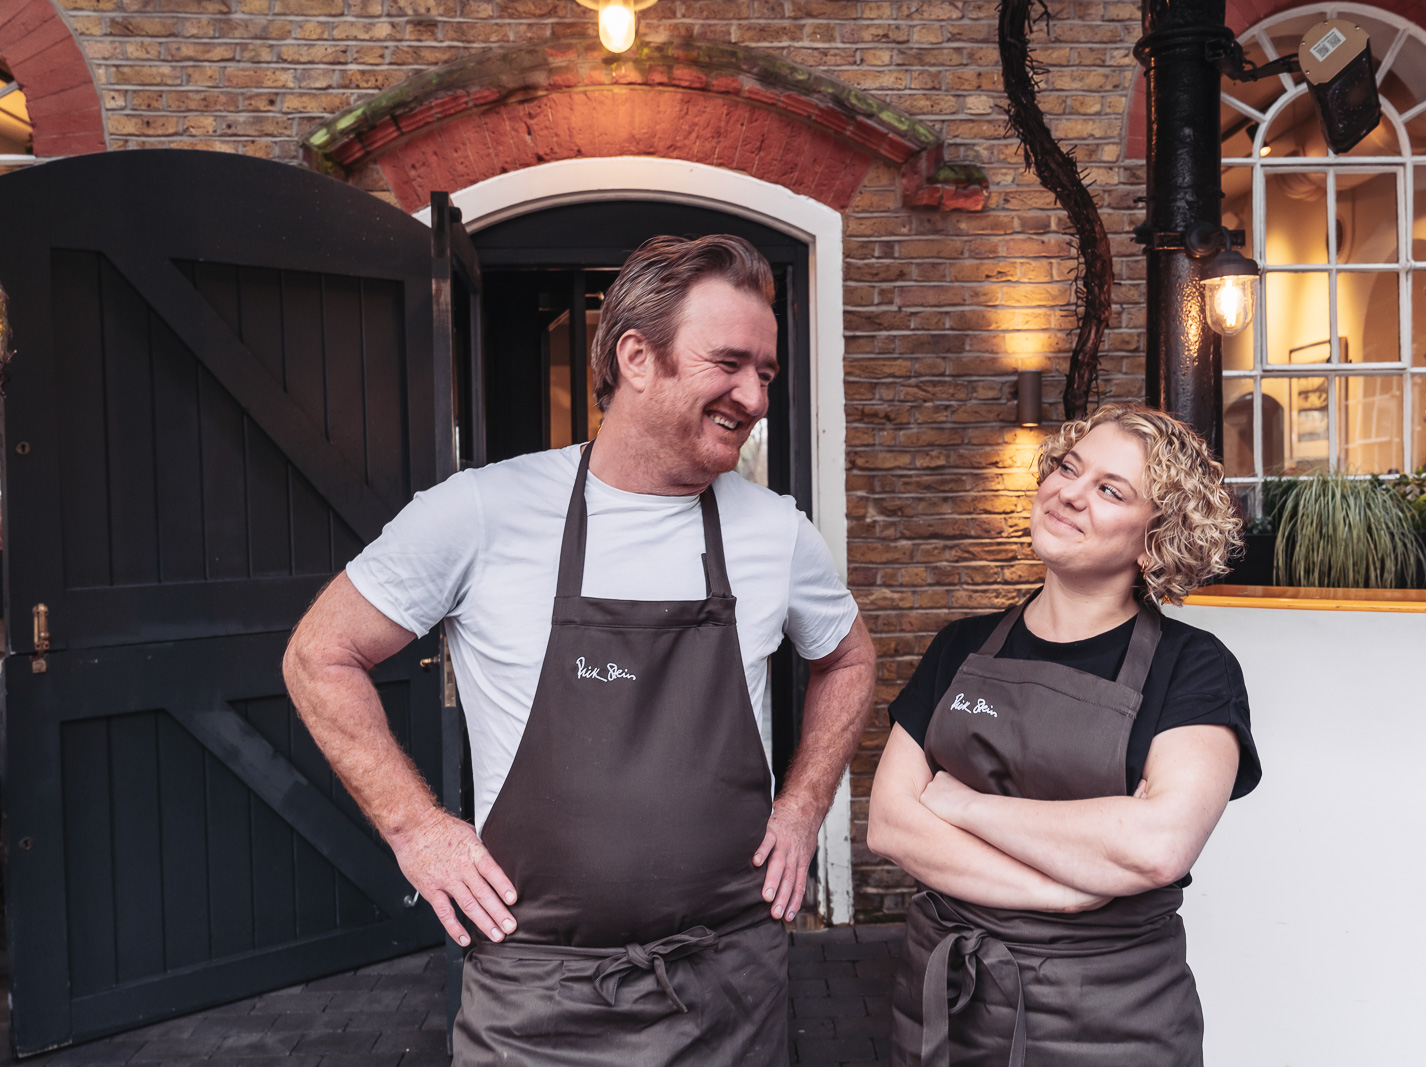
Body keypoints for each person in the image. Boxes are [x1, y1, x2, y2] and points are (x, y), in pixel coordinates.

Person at [283, 234, 876, 1066]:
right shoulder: (481, 512)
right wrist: (416, 827)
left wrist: (806, 805)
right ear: (636, 357)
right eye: (729, 364)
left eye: (767, 373)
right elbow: (320, 653)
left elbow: (848, 658)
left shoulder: (775, 531)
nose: (754, 396)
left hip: (729, 986)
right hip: (538, 999)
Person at [867, 403, 1261, 1067]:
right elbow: (890, 825)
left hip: (1112, 1023)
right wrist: (1062, 891)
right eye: (1069, 469)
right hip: (948, 1009)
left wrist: (963, 804)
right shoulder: (961, 645)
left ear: (1156, 539)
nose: (1070, 493)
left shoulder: (1192, 667)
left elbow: (1155, 848)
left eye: (1111, 490)